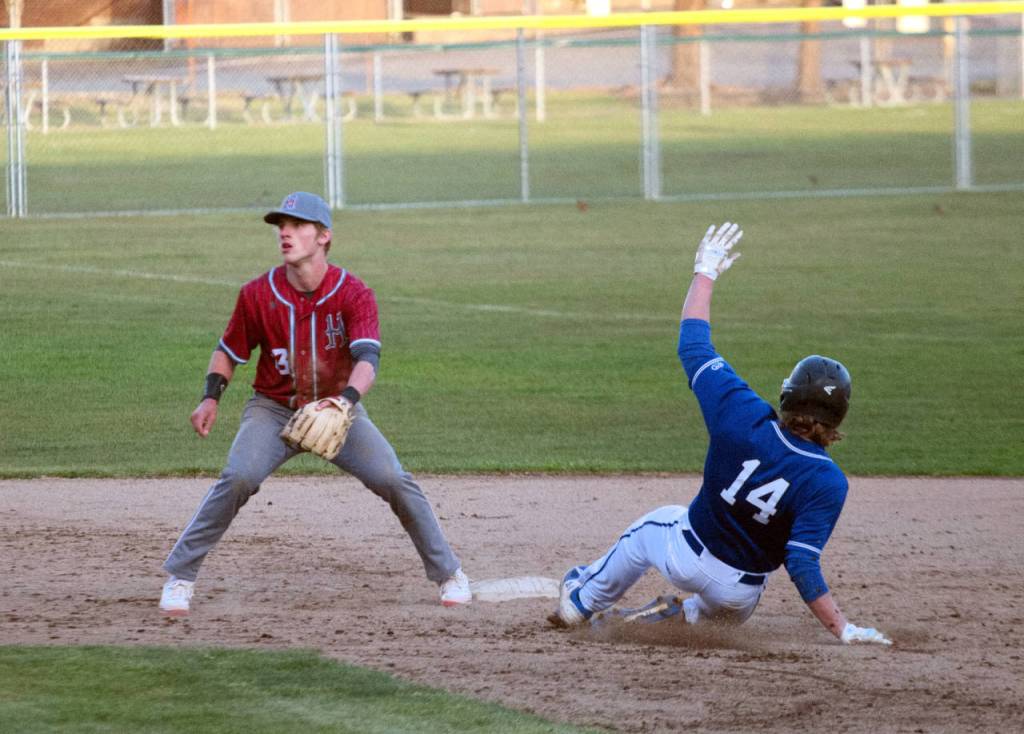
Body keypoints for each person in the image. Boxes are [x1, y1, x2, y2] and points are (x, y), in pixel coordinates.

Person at [548, 222, 891, 645]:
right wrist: (842, 628)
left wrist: (704, 272)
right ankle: (672, 617)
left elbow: (693, 346)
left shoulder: (741, 413)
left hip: (684, 556)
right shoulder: (828, 481)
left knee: (651, 527)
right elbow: (801, 564)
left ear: (787, 395)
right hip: (738, 597)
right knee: (713, 611)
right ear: (838, 417)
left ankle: (581, 601)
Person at [159, 191, 471, 616]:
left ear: (324, 236)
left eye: (297, 225)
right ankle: (181, 576)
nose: (285, 233)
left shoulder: (353, 293)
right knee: (238, 477)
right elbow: (229, 351)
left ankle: (449, 573)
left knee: (394, 480)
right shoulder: (257, 294)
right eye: (280, 226)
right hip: (274, 409)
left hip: (338, 410)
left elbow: (368, 359)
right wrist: (210, 398)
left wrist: (343, 404)